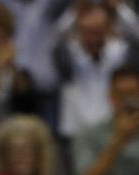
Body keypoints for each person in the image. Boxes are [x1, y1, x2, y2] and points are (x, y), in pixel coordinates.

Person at [54, 0, 139, 139]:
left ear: (107, 31)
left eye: (98, 33)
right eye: (88, 33)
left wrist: (120, 9)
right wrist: (74, 10)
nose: (93, 39)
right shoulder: (69, 54)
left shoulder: (118, 53)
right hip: (75, 130)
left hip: (110, 129)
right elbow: (54, 40)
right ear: (79, 32)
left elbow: (136, 37)